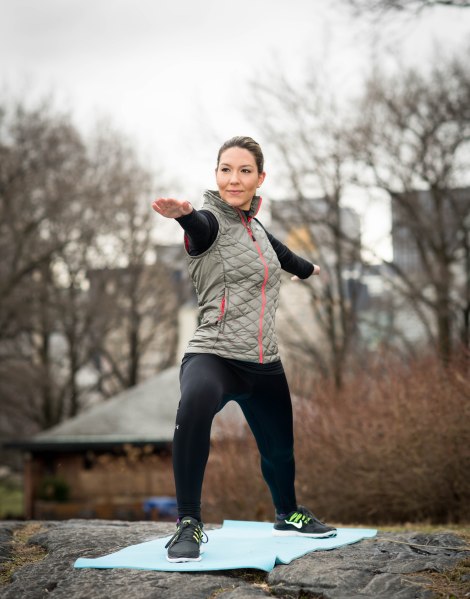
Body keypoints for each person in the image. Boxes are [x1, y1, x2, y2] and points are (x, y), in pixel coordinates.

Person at [151, 136, 336, 563]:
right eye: (226, 169)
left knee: (279, 449)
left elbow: (281, 254)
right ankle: (188, 523)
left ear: (260, 178)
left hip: (264, 362)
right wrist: (184, 217)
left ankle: (288, 514)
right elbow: (200, 229)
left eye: (244, 171)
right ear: (216, 175)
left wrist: (307, 269)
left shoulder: (256, 228)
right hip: (213, 355)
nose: (234, 179)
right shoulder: (210, 222)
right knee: (195, 404)